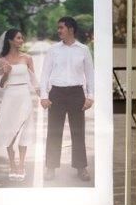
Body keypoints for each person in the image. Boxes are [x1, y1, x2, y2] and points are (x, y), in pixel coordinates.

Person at [39, 16, 94, 182]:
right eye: (58, 28)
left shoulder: (83, 50)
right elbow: (45, 74)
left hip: (77, 93)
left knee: (78, 132)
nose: (59, 31)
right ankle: (50, 167)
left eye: (61, 28)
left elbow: (90, 75)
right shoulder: (53, 50)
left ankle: (81, 167)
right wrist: (44, 96)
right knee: (54, 131)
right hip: (57, 94)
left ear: (71, 29)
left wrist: (90, 96)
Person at [0, 29, 40, 182]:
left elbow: (34, 80)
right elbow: (1, 85)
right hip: (10, 97)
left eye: (22, 38)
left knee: (24, 130)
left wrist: (43, 97)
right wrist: (6, 73)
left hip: (24, 96)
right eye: (18, 38)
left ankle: (21, 164)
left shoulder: (27, 58)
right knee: (10, 132)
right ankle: (12, 164)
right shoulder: (2, 60)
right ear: (10, 40)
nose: (21, 40)